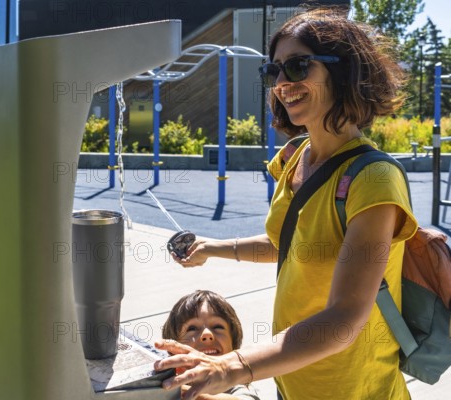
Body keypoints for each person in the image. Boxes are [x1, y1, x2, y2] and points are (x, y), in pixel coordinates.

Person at [154, 6, 418, 400]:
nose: (281, 83)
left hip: (351, 388)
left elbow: (346, 317)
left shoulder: (374, 179)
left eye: (297, 66)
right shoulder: (296, 159)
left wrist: (232, 366)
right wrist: (212, 248)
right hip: (291, 378)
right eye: (273, 71)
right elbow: (287, 246)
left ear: (344, 72)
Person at [162, 290, 260, 400]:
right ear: (173, 351)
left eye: (218, 326)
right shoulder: (165, 383)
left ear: (234, 346)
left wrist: (190, 394)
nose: (207, 334)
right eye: (192, 329)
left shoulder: (238, 386)